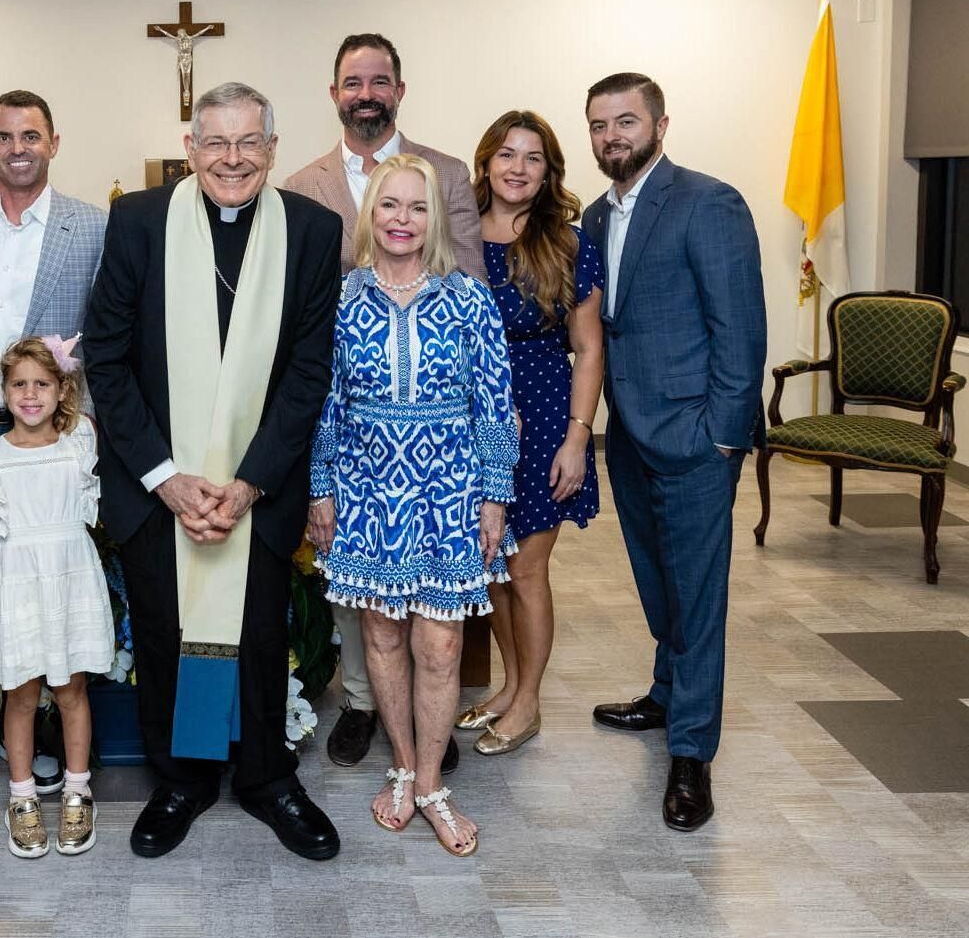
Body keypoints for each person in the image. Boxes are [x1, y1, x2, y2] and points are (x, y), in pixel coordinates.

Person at [85, 82, 342, 861]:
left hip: (256, 487)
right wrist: (165, 476)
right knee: (166, 633)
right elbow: (106, 355)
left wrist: (251, 480)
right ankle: (184, 779)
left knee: (261, 634)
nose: (232, 159)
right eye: (216, 143)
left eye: (249, 142)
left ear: (272, 149)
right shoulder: (138, 221)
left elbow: (308, 370)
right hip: (156, 482)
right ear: (191, 148)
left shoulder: (312, 230)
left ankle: (267, 777)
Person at [284, 32, 484, 772]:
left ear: (398, 89)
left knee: (436, 605)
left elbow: (469, 278)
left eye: (379, 80)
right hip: (350, 402)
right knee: (354, 582)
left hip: (435, 414)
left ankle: (428, 728)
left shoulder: (448, 173)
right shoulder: (302, 184)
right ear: (334, 92)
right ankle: (365, 702)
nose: (365, 92)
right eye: (352, 81)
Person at [307, 154, 516, 858]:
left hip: (450, 489)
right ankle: (402, 766)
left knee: (443, 640)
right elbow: (322, 403)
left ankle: (431, 785)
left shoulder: (468, 299)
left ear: (435, 218)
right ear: (371, 215)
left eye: (417, 207)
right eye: (390, 205)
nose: (402, 219)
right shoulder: (340, 299)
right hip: (367, 489)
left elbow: (495, 404)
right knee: (383, 638)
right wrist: (320, 485)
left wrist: (494, 493)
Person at [580, 73, 765, 832]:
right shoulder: (595, 215)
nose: (611, 136)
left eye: (626, 121)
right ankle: (666, 694)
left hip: (694, 438)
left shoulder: (706, 201)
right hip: (627, 435)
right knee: (657, 582)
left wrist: (722, 435)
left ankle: (691, 752)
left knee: (696, 595)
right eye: (598, 125)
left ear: (660, 123)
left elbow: (741, 332)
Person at [0, 90, 107, 788]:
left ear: (54, 141)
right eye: (5, 135)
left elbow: (105, 333)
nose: (18, 147)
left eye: (31, 134)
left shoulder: (90, 226)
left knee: (49, 591)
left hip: (51, 433)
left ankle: (51, 738)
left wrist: (89, 428)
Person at [456, 110, 605, 757]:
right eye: (507, 155)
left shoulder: (567, 243)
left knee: (526, 568)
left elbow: (589, 347)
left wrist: (578, 438)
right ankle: (509, 687)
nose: (518, 168)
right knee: (490, 563)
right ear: (486, 162)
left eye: (533, 157)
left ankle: (530, 703)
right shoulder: (456, 236)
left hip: (544, 410)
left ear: (549, 171)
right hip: (471, 417)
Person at [0, 336, 114, 859]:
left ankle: (78, 788)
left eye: (42, 384)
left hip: (69, 577)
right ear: (4, 392)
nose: (30, 395)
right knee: (21, 695)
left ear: (61, 389)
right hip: (19, 583)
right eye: (19, 384)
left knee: (73, 689)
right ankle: (23, 798)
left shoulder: (80, 443)